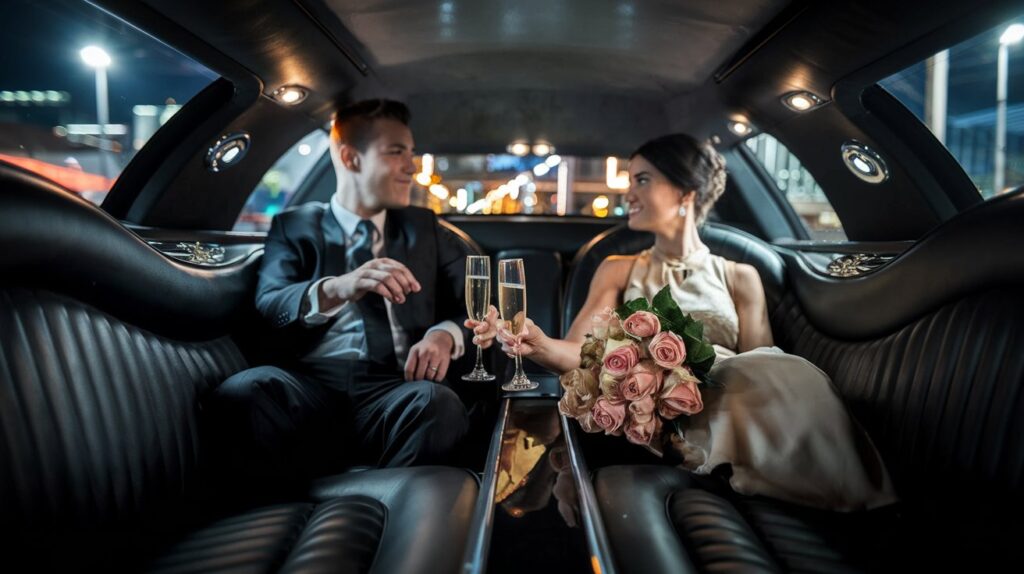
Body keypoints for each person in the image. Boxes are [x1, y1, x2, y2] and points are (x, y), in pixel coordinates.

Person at [472, 133, 897, 512]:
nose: (629, 192)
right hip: (656, 407)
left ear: (685, 192)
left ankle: (837, 499)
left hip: (738, 392)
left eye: (642, 179)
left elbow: (763, 358)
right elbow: (582, 351)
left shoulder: (740, 276)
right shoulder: (618, 268)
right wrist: (540, 345)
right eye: (630, 179)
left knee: (787, 372)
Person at [215, 99, 471, 477]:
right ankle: (283, 512)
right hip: (311, 388)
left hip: (398, 389)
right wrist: (338, 287)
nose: (412, 167)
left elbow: (477, 303)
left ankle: (391, 509)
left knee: (438, 402)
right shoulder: (295, 226)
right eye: (397, 152)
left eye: (411, 153)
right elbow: (271, 303)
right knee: (247, 390)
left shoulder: (424, 228)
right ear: (351, 159)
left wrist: (443, 336)